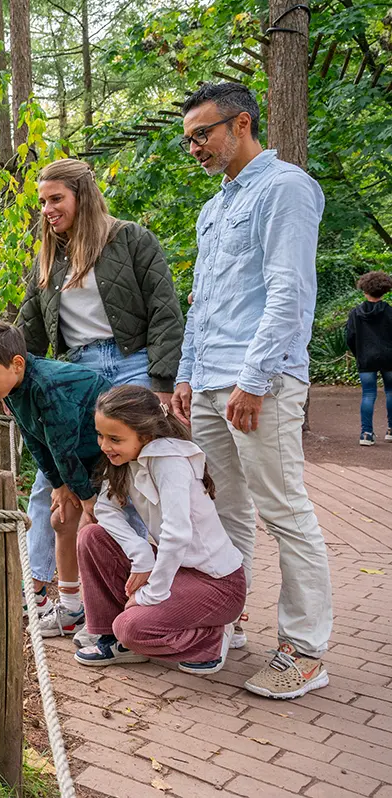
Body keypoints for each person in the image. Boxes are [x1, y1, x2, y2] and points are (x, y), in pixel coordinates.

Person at [171, 82, 332, 699]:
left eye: (203, 134)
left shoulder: (286, 188)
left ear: (241, 124)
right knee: (223, 510)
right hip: (212, 381)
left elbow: (289, 293)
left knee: (284, 510)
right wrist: (187, 374)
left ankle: (305, 651)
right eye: (188, 139)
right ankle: (227, 617)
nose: (195, 147)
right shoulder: (213, 209)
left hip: (259, 382)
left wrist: (254, 379)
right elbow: (203, 304)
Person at [16, 158, 185, 640]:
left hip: (133, 364)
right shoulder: (49, 257)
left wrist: (163, 381)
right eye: (42, 201)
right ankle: (43, 589)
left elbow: (165, 310)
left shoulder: (131, 239)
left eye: (56, 199)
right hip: (78, 372)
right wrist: (9, 378)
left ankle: (141, 589)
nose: (47, 209)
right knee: (53, 479)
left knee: (134, 476)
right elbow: (28, 326)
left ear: (82, 196)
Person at [74, 386, 246, 673]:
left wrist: (150, 595)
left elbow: (177, 534)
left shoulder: (169, 462)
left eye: (114, 439)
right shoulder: (126, 458)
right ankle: (113, 640)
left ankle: (212, 637)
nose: (104, 446)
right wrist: (140, 553)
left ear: (145, 435)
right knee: (92, 537)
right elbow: (104, 509)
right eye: (100, 435)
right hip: (178, 571)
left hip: (217, 584)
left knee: (131, 628)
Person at [0, 322, 110, 596]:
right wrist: (58, 483)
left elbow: (62, 447)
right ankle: (69, 605)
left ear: (17, 364)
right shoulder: (14, 388)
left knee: (95, 527)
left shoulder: (46, 387)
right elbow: (34, 440)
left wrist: (87, 497)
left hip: (107, 454)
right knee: (61, 520)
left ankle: (108, 605)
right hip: (78, 455)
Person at [345, 271, 392, 446]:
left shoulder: (355, 313)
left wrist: (359, 354)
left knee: (368, 394)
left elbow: (350, 337)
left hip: (366, 358)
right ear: (384, 290)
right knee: (391, 392)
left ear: (364, 290)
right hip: (389, 357)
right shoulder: (390, 312)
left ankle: (366, 434)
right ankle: (391, 430)